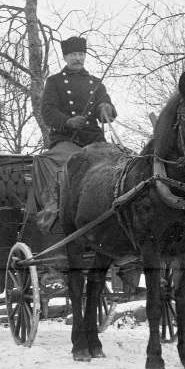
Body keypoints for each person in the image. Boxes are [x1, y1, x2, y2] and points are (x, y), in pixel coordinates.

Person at [31, 35, 119, 232]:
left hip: (94, 138)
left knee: (119, 161)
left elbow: (104, 103)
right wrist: (68, 122)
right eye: (73, 55)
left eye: (80, 54)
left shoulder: (96, 83)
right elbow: (48, 112)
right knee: (63, 163)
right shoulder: (54, 82)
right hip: (65, 138)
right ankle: (54, 208)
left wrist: (105, 108)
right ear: (65, 58)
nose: (77, 58)